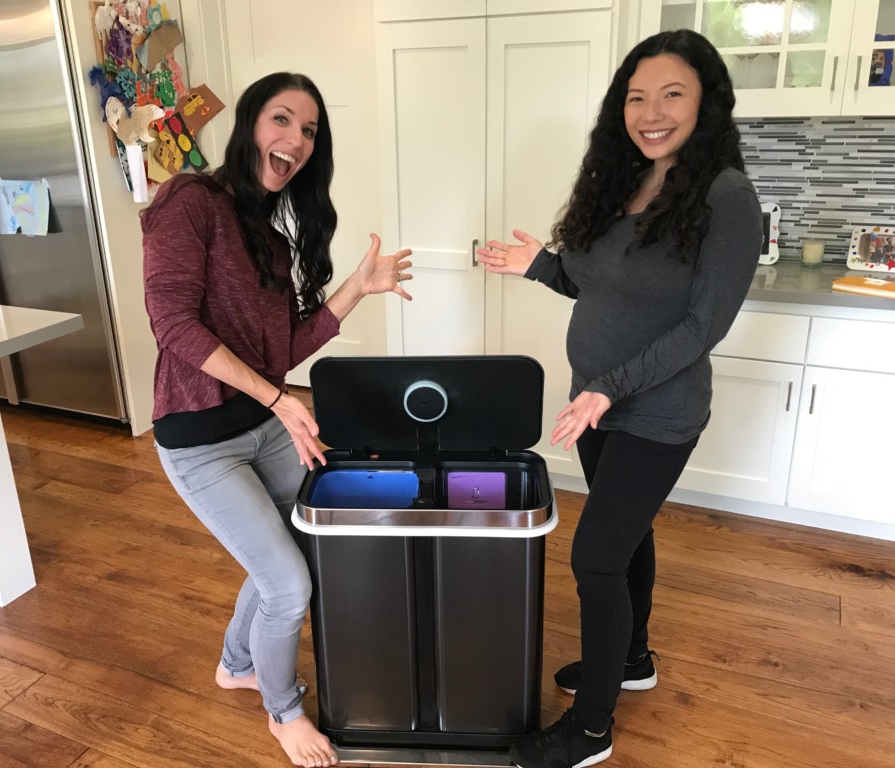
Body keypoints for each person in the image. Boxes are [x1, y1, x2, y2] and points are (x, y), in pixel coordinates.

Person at [476, 30, 762, 767]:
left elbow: (706, 325)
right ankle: (631, 658)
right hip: (597, 405)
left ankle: (592, 729)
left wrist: (610, 386)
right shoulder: (621, 178)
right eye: (637, 97)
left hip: (656, 414)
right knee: (626, 536)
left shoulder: (726, 195)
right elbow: (593, 284)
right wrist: (538, 265)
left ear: (706, 102)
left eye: (673, 94)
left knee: (598, 559)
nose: (652, 111)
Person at [141, 72, 413, 768]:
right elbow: (172, 323)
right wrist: (277, 399)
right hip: (201, 440)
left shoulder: (272, 237)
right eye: (282, 119)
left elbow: (281, 348)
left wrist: (357, 287)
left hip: (261, 424)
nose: (294, 139)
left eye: (310, 130)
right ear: (250, 125)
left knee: (301, 544)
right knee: (289, 582)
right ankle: (281, 709)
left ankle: (237, 662)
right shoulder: (189, 201)